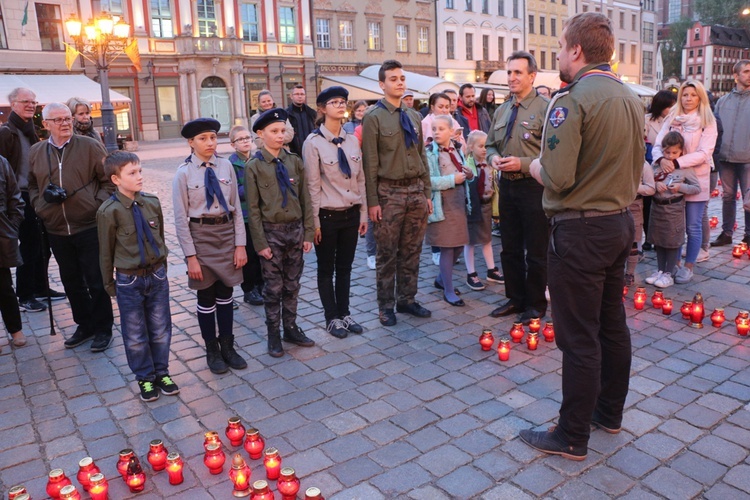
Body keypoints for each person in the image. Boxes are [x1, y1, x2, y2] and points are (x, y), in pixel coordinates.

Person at [519, 12, 645, 461]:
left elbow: (556, 175)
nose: (557, 56)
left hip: (580, 230)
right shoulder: (628, 96)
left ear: (576, 50)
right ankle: (608, 412)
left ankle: (572, 434)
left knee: (577, 337)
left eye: (559, 48)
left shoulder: (571, 99)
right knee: (611, 325)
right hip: (617, 223)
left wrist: (531, 164)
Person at [28, 102, 115, 352]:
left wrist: (95, 206)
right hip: (56, 228)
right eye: (58, 120)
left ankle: (103, 327)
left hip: (88, 226)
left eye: (67, 118)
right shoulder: (36, 151)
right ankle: (84, 324)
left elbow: (109, 181)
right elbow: (32, 185)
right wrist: (40, 205)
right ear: (45, 125)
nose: (65, 123)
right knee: (71, 281)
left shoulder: (89, 146)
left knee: (96, 281)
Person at [97, 151, 178, 402]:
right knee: (134, 333)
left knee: (161, 328)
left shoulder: (151, 202)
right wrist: (110, 285)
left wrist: (162, 268)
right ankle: (144, 377)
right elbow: (105, 252)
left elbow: (160, 238)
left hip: (156, 276)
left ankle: (161, 372)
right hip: (129, 280)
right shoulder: (108, 211)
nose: (139, 176)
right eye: (132, 173)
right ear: (116, 179)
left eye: (140, 171)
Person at [172, 118, 248, 374]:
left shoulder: (226, 166)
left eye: (213, 137)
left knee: (226, 294)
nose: (209, 143)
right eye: (203, 138)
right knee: (206, 295)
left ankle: (228, 345)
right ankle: (212, 349)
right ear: (191, 142)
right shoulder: (183, 173)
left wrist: (240, 245)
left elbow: (236, 209)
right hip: (201, 237)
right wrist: (190, 257)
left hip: (226, 235)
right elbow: (181, 219)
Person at [362, 59, 433, 326]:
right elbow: (370, 163)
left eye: (402, 78)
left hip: (415, 190)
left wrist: (426, 192)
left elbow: (422, 156)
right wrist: (372, 202)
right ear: (382, 85)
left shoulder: (414, 116)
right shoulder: (373, 118)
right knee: (387, 253)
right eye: (393, 79)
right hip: (388, 193)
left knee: (413, 249)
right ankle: (385, 306)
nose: (400, 83)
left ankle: (407, 299)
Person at [245, 108, 316, 357]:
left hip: (295, 231)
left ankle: (290, 327)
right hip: (271, 234)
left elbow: (305, 199)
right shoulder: (254, 166)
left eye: (282, 131)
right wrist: (260, 243)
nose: (279, 135)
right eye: (274, 131)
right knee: (273, 288)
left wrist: (308, 234)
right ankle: (273, 333)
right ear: (260, 134)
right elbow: (252, 210)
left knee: (292, 284)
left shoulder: (294, 161)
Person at [487, 51, 549, 323]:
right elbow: (490, 144)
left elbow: (554, 153)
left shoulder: (546, 108)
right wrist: (493, 158)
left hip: (534, 187)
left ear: (532, 76)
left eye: (517, 72)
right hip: (507, 188)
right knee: (509, 248)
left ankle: (535, 305)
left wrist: (522, 163)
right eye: (509, 72)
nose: (511, 77)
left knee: (536, 251)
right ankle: (515, 298)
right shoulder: (502, 109)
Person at [302, 87, 368, 338]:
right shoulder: (313, 143)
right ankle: (331, 318)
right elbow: (312, 185)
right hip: (327, 216)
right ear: (321, 108)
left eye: (343, 102)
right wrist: (315, 223)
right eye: (334, 102)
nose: (341, 106)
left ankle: (345, 313)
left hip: (351, 214)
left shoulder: (351, 140)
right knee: (326, 268)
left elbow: (360, 179)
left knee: (346, 267)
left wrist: (363, 214)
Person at [0, 87, 66, 313]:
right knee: (29, 247)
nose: (31, 105)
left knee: (43, 246)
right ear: (13, 104)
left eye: (33, 101)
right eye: (25, 101)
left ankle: (41, 287)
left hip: (38, 195)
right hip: (20, 198)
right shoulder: (7, 132)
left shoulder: (31, 130)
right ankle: (25, 294)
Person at [651, 80, 717, 284]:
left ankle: (688, 266)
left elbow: (705, 152)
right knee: (675, 225)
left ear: (700, 98)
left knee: (693, 226)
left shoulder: (707, 120)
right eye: (685, 95)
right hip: (673, 177)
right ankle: (673, 266)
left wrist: (677, 162)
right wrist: (662, 159)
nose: (688, 99)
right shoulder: (673, 118)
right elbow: (657, 145)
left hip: (696, 176)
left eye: (693, 95)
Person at [424, 115, 470, 307]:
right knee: (447, 247)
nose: (436, 132)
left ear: (452, 131)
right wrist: (453, 180)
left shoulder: (458, 150)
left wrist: (469, 174)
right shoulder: (429, 153)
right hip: (442, 205)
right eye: (434, 129)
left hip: (458, 204)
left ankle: (442, 278)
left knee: (459, 245)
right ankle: (448, 291)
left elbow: (463, 172)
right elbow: (428, 181)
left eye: (441, 129)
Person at [645, 132, 700, 289]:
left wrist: (680, 187)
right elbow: (646, 182)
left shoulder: (685, 169)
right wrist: (655, 186)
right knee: (659, 240)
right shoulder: (655, 166)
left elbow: (696, 188)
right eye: (667, 152)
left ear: (681, 151)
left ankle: (669, 273)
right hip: (657, 207)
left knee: (672, 241)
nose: (669, 156)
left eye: (674, 153)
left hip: (674, 208)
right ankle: (661, 270)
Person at [712, 60, 750, 247]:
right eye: (746, 71)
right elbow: (715, 130)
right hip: (725, 157)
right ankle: (726, 233)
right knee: (727, 197)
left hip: (747, 158)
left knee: (749, 199)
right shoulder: (722, 101)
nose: (749, 75)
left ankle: (749, 235)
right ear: (736, 76)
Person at [228, 126, 264, 306]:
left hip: (261, 215)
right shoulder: (231, 164)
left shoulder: (258, 159)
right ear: (233, 144)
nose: (245, 141)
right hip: (245, 216)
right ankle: (249, 289)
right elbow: (233, 191)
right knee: (248, 255)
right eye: (240, 139)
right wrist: (255, 187)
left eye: (247, 138)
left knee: (261, 253)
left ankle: (261, 285)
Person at [462, 130, 502, 291]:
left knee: (487, 239)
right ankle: (471, 273)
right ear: (471, 147)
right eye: (481, 146)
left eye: (486, 146)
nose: (484, 149)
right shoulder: (467, 165)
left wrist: (496, 211)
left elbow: (494, 187)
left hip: (486, 205)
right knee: (470, 241)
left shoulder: (489, 164)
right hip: (473, 207)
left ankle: (491, 270)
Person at [643, 90, 678, 251]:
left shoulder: (677, 121)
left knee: (663, 203)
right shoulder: (647, 120)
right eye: (669, 106)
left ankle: (662, 238)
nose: (672, 109)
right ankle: (648, 238)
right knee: (647, 204)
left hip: (670, 166)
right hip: (650, 165)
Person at [0, 154, 26, 351]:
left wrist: (12, 226)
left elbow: (14, 197)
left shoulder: (2, 162)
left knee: (4, 286)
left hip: (1, 231)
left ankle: (15, 329)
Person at [624, 162, 655, 285]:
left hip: (634, 205)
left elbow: (651, 188)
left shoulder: (643, 165)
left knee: (633, 241)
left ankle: (629, 273)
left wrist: (633, 187)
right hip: (615, 203)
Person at [286, 85, 317, 156]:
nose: (300, 96)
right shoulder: (286, 114)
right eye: (297, 94)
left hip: (312, 152)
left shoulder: (312, 113)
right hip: (294, 154)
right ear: (291, 96)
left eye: (302, 94)